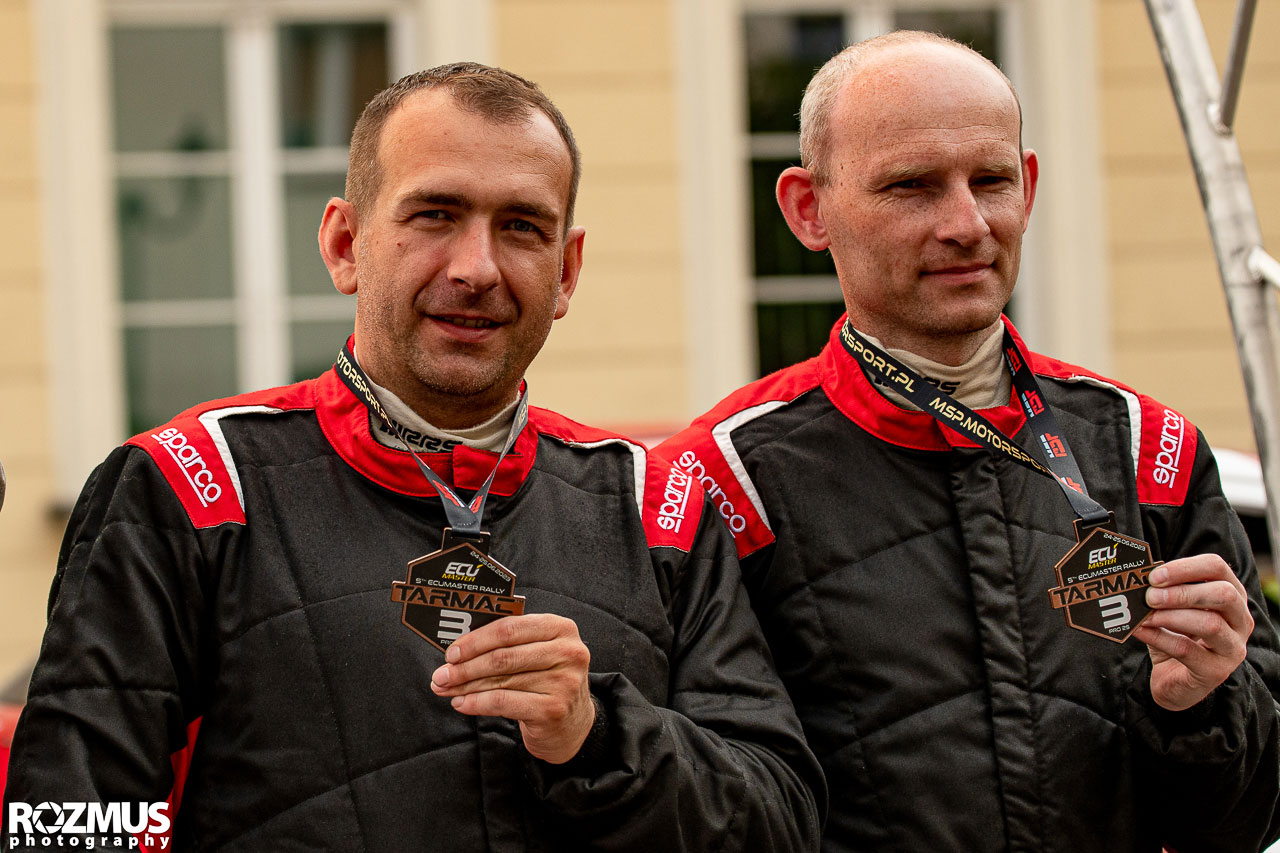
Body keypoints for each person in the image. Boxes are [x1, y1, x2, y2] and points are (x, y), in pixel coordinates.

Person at [3, 63, 823, 851]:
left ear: (567, 272)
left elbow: (780, 821)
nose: (477, 269)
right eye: (435, 215)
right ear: (345, 244)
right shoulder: (188, 484)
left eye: (522, 227)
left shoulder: (658, 507)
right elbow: (63, 821)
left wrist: (599, 734)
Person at [658, 31, 1280, 852]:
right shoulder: (715, 480)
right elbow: (697, 814)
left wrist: (1202, 705)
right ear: (809, 209)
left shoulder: (1149, 448)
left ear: (1028, 186)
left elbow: (1245, 822)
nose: (967, 223)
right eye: (911, 186)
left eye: (991, 180)